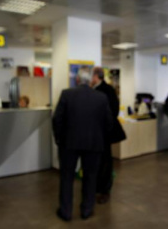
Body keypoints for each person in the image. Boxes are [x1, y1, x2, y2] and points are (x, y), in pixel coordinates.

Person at [53, 69, 113, 221]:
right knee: (90, 177)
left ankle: (66, 212)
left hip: (69, 143)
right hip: (94, 144)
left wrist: (59, 139)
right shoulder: (101, 97)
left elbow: (57, 119)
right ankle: (86, 210)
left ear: (78, 80)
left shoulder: (67, 94)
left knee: (67, 177)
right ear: (90, 81)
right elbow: (108, 122)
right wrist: (100, 138)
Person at [91, 67, 126, 205]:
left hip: (104, 133)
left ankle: (105, 190)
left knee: (105, 161)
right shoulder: (98, 89)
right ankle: (98, 187)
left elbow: (113, 111)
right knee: (98, 161)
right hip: (97, 132)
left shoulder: (107, 90)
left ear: (96, 76)